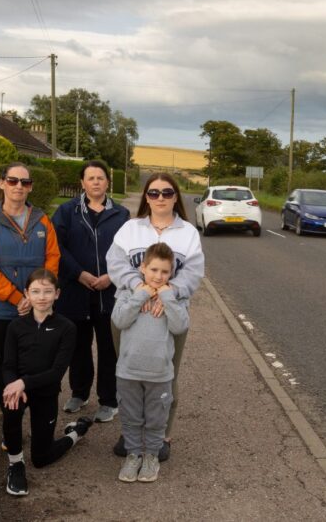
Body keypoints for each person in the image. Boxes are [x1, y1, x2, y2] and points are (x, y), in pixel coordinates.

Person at [106, 172, 204, 462]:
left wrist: (167, 292)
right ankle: (132, 433)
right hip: (131, 311)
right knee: (129, 372)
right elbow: (115, 263)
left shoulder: (188, 232)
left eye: (166, 192)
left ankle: (162, 434)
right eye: (153, 193)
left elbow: (194, 272)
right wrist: (141, 288)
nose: (160, 198)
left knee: (167, 374)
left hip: (169, 313)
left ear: (176, 196)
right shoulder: (130, 228)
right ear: (146, 197)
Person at [0, 162, 60, 412]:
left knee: (37, 359)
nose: (19, 187)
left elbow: (52, 257)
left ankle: (36, 412)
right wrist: (15, 297)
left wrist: (40, 295)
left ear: (31, 187)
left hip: (38, 306)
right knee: (6, 361)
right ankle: (10, 415)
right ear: (2, 183)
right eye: (13, 181)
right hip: (0, 308)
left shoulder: (42, 220)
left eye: (25, 182)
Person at [1, 268, 93, 496]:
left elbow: (56, 372)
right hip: (21, 390)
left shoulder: (67, 328)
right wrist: (15, 385)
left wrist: (24, 383)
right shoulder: (16, 326)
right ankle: (15, 465)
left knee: (41, 459)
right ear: (27, 294)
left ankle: (76, 433)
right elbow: (8, 365)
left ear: (57, 294)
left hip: (46, 392)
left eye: (47, 291)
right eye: (36, 291)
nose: (42, 297)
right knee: (10, 404)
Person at [52, 160, 129, 423]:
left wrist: (112, 276)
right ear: (82, 183)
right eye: (91, 178)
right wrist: (79, 274)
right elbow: (56, 248)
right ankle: (79, 393)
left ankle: (109, 399)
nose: (96, 182)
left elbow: (129, 251)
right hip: (76, 290)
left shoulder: (122, 214)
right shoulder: (66, 212)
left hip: (110, 292)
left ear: (108, 182)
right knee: (78, 346)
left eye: (100, 178)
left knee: (109, 348)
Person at [111, 242, 189, 483]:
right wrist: (141, 295)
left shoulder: (176, 299)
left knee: (156, 419)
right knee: (131, 416)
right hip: (128, 372)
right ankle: (133, 455)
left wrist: (167, 298)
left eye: (165, 272)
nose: (158, 276)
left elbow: (180, 326)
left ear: (171, 273)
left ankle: (151, 456)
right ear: (143, 268)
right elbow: (120, 320)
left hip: (159, 374)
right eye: (154, 270)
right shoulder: (127, 293)